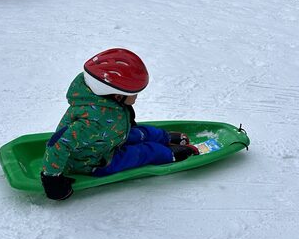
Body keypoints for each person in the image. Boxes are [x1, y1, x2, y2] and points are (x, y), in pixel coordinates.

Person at [40, 48, 199, 200]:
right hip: (95, 161)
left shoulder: (104, 101)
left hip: (109, 137)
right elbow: (57, 144)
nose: (136, 97)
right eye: (133, 93)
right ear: (115, 95)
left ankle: (164, 137)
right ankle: (168, 154)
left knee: (141, 133)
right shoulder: (91, 122)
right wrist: (52, 181)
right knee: (141, 153)